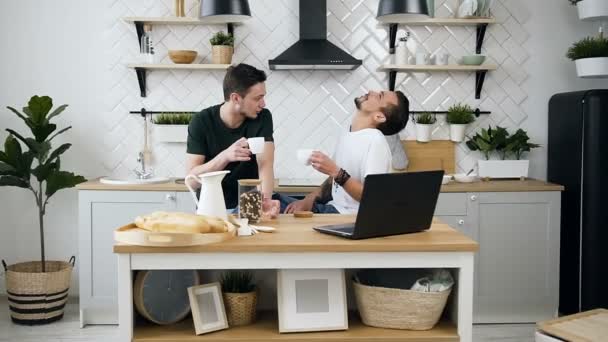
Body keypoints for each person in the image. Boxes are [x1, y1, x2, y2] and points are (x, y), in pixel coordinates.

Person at [280, 90, 409, 214]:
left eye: (379, 96)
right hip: (332, 208)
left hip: (349, 217)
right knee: (272, 201)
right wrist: (308, 200)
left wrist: (336, 171)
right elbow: (333, 180)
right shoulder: (347, 133)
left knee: (272, 207)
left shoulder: (376, 141)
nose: (371, 91)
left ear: (379, 116)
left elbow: (372, 197)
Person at [186, 63, 278, 215]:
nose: (263, 104)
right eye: (257, 98)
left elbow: (265, 165)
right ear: (236, 98)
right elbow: (191, 181)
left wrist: (265, 202)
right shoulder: (201, 122)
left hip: (249, 207)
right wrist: (225, 156)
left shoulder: (263, 117)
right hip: (213, 209)